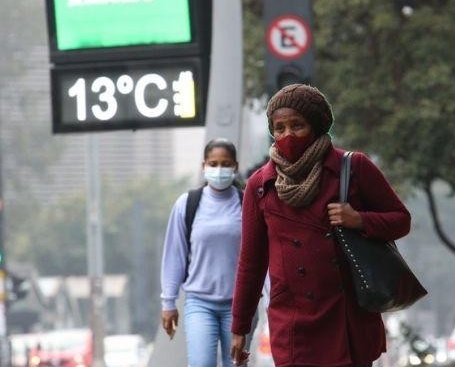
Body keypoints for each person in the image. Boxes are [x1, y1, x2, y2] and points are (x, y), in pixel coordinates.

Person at [230, 84, 411, 367]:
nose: (287, 135)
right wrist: (240, 326)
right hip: (292, 322)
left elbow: (401, 220)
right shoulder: (260, 186)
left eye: (297, 125)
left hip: (347, 315)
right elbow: (251, 262)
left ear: (316, 125)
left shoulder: (353, 168)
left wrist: (360, 219)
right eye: (279, 128)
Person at [160, 138, 244, 367]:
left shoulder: (247, 205)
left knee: (236, 364)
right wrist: (169, 303)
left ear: (235, 166)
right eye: (213, 163)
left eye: (225, 164)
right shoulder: (186, 205)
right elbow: (174, 256)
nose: (219, 170)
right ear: (203, 165)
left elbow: (260, 258)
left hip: (239, 306)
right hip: (199, 303)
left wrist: (269, 301)